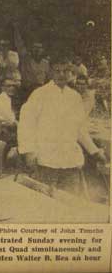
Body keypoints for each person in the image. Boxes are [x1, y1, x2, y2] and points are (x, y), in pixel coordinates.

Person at [18, 56, 106, 196]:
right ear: (51, 72)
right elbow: (26, 125)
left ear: (71, 73)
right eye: (57, 71)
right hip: (46, 158)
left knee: (70, 201)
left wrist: (94, 151)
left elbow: (80, 129)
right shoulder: (39, 94)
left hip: (70, 159)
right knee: (45, 201)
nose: (61, 75)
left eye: (66, 71)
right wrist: (29, 151)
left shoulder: (75, 97)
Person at [13, 22, 50, 101]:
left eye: (39, 48)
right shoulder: (26, 59)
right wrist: (16, 29)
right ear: (31, 49)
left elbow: (48, 79)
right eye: (35, 48)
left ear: (43, 50)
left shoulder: (46, 63)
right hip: (27, 91)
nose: (37, 50)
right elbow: (19, 44)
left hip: (42, 91)